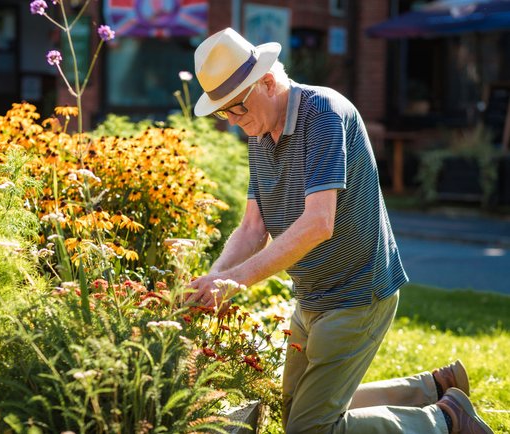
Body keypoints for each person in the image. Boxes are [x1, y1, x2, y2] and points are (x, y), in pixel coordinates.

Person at [185, 27, 493, 434]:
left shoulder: (324, 114)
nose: (235, 122)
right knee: (295, 413)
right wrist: (215, 276)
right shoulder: (259, 132)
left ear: (268, 81)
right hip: (311, 297)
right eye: (225, 113)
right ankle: (434, 387)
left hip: (357, 293)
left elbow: (318, 224)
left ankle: (446, 420)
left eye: (237, 108)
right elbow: (252, 226)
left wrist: (237, 281)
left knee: (309, 429)